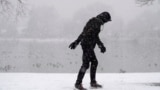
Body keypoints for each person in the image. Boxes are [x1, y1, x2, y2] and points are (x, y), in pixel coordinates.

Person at [69, 11, 111, 90]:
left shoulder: (94, 21)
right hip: (87, 45)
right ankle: (78, 83)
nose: (105, 23)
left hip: (88, 45)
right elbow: (90, 35)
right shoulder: (97, 23)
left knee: (94, 62)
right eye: (106, 21)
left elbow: (88, 34)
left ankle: (93, 82)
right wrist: (101, 45)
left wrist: (77, 42)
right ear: (104, 18)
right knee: (85, 64)